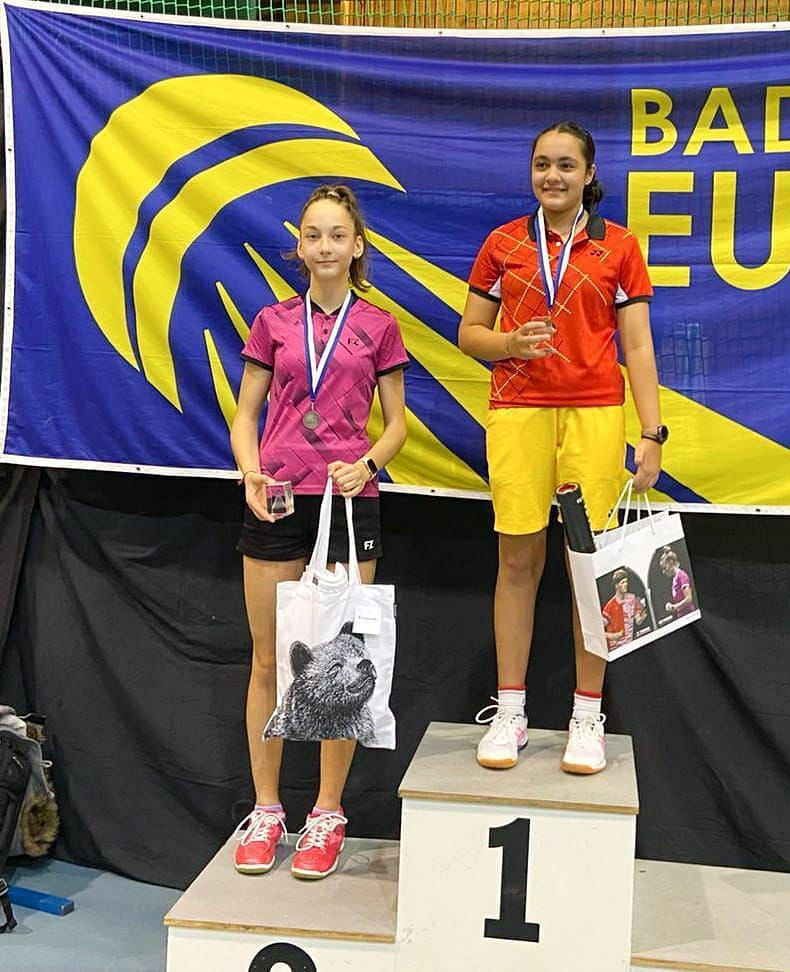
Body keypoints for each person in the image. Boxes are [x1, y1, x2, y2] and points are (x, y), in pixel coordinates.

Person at [458, 121, 667, 775]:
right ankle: (513, 710)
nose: (552, 176)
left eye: (566, 165)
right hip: (518, 415)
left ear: (587, 174)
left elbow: (636, 347)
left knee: (591, 569)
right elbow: (469, 334)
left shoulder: (620, 248)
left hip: (595, 417)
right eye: (542, 164)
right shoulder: (503, 244)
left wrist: (651, 432)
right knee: (516, 560)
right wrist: (509, 346)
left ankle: (586, 715)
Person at [229, 184, 409, 879]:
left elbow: (394, 425)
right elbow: (246, 415)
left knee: (337, 666)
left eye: (338, 234)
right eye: (313, 234)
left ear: (356, 247)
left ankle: (327, 812)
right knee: (269, 659)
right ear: (299, 247)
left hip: (345, 503)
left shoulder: (379, 326)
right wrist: (250, 472)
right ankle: (268, 808)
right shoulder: (273, 321)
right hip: (275, 498)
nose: (325, 246)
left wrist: (367, 464)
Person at [660, 547, 695, 619]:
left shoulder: (681, 576)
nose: (663, 572)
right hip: (682, 615)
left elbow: (689, 599)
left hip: (688, 615)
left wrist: (674, 607)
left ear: (671, 563)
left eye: (665, 568)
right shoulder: (674, 578)